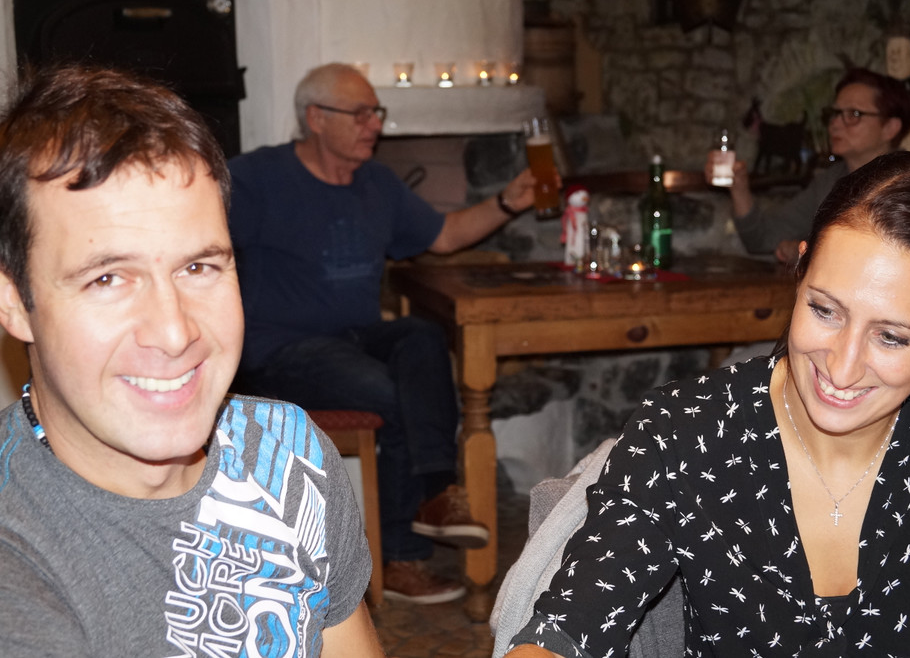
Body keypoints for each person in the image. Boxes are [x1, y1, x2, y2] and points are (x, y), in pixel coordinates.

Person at [502, 150, 910, 657]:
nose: (842, 369)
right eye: (825, 310)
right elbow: (567, 630)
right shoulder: (686, 432)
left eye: (891, 337)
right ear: (800, 272)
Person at [0, 65, 385, 656]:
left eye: (199, 267)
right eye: (108, 278)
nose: (175, 332)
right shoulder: (17, 556)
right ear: (14, 303)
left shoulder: (287, 452)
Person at [228, 62, 539, 604]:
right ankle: (400, 557)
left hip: (356, 335)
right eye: (361, 114)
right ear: (316, 118)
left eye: (377, 112)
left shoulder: (377, 183)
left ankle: (438, 491)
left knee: (421, 335)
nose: (375, 124)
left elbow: (444, 236)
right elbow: (203, 238)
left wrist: (508, 201)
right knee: (387, 393)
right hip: (281, 350)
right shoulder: (259, 178)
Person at [709, 67, 910, 264]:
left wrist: (808, 254)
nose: (835, 124)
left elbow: (891, 260)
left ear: (890, 128)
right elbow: (761, 239)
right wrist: (739, 189)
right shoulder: (829, 181)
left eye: (853, 114)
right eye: (835, 113)